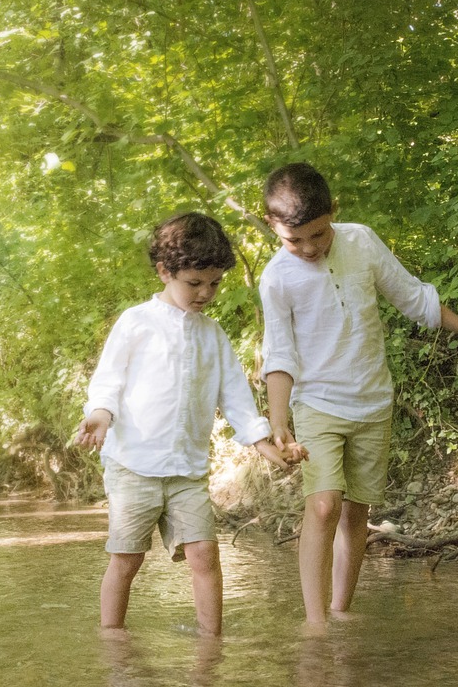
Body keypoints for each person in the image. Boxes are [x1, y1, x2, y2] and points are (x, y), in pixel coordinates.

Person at [258, 162, 458, 627]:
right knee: (323, 504)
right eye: (295, 239)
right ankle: (315, 624)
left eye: (318, 235)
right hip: (317, 403)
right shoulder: (276, 279)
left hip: (371, 401)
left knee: (355, 513)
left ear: (335, 213)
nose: (308, 247)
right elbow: (279, 355)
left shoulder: (361, 241)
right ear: (272, 226)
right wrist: (279, 421)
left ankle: (340, 610)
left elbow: (411, 296)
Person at [76, 212, 303, 637]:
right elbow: (108, 381)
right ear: (165, 271)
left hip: (186, 471)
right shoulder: (136, 323)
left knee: (204, 556)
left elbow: (234, 395)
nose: (205, 293)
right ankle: (112, 639)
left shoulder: (212, 335)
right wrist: (100, 416)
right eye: (194, 283)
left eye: (214, 283)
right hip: (133, 466)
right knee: (127, 559)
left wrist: (261, 441)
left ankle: (210, 642)